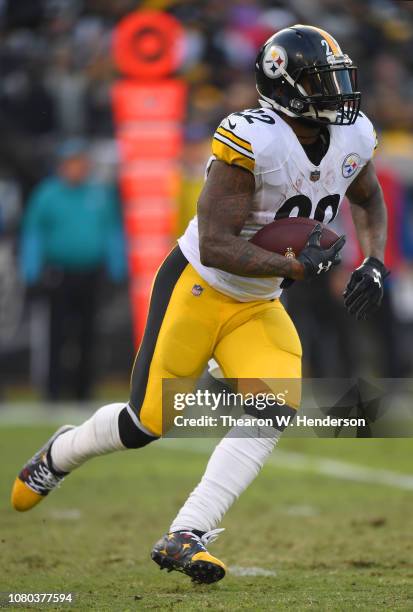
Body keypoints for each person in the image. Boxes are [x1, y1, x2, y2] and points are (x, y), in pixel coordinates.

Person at [11, 25, 389, 584]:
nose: (338, 93)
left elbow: (369, 196)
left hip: (259, 303)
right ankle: (59, 455)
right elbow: (216, 243)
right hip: (198, 287)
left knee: (274, 411)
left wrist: (374, 261)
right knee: (147, 424)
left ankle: (187, 532)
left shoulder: (353, 134)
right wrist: (293, 266)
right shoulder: (252, 138)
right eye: (321, 82)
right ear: (285, 87)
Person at [20, 139, 126, 400]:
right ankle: (53, 390)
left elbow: (112, 231)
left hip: (90, 272)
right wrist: (31, 272)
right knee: (56, 333)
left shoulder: (99, 194)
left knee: (88, 333)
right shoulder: (47, 194)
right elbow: (34, 234)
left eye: (80, 162)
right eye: (70, 163)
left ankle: (83, 390)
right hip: (58, 274)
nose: (75, 168)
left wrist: (117, 268)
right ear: (61, 166)